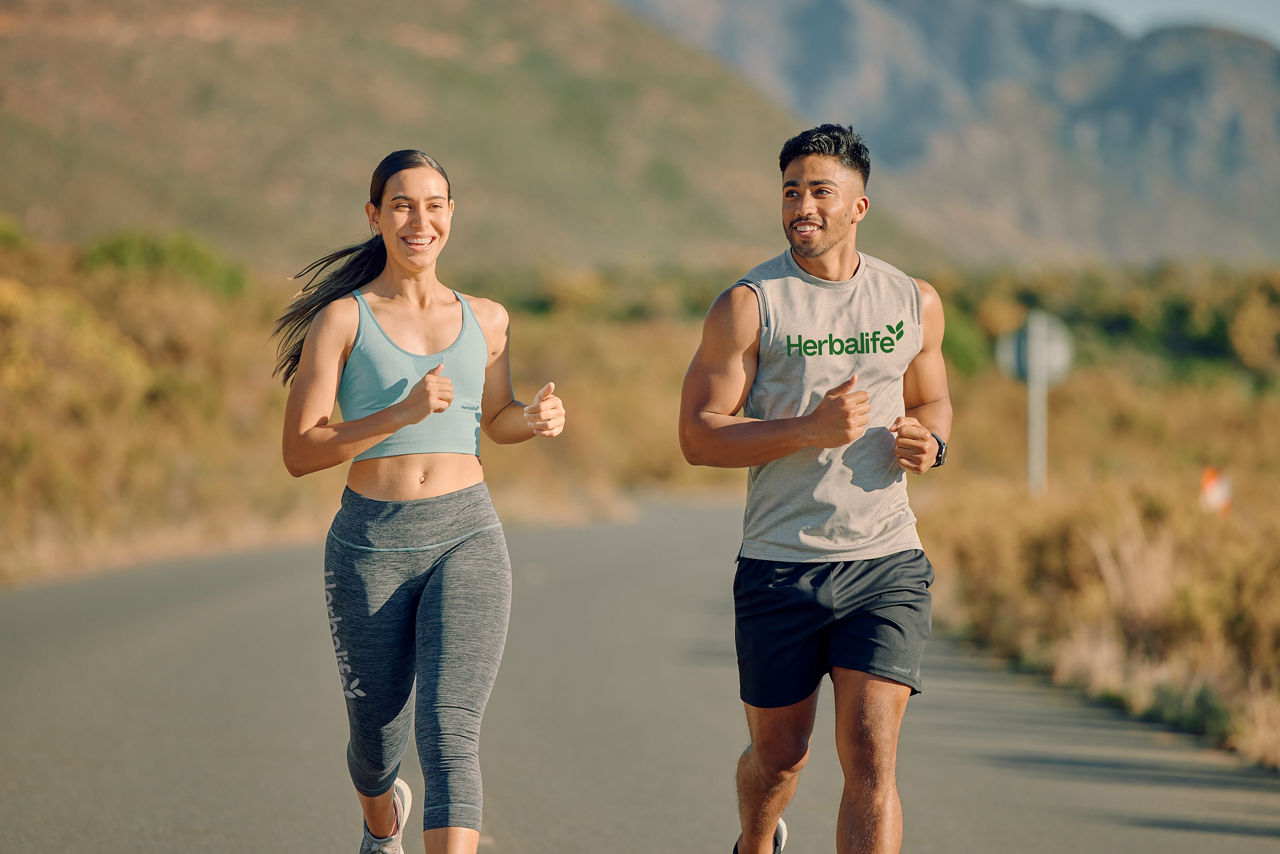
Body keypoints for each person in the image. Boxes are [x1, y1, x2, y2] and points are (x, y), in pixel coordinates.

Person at [273, 150, 565, 854]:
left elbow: (491, 419)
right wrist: (393, 416)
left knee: (449, 732)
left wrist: (529, 420)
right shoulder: (343, 321)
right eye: (402, 205)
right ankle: (382, 827)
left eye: (434, 205)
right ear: (374, 216)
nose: (420, 220)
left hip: (467, 533)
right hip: (369, 541)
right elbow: (299, 451)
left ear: (452, 215)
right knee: (376, 746)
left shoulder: (487, 319)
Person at [678, 124, 952, 854]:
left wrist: (933, 440)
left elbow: (933, 400)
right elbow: (699, 437)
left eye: (821, 192)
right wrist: (807, 429)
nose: (803, 205)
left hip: (884, 561)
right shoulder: (750, 304)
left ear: (859, 206)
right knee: (780, 757)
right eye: (792, 191)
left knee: (871, 756)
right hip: (780, 564)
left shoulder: (911, 300)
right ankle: (756, 841)